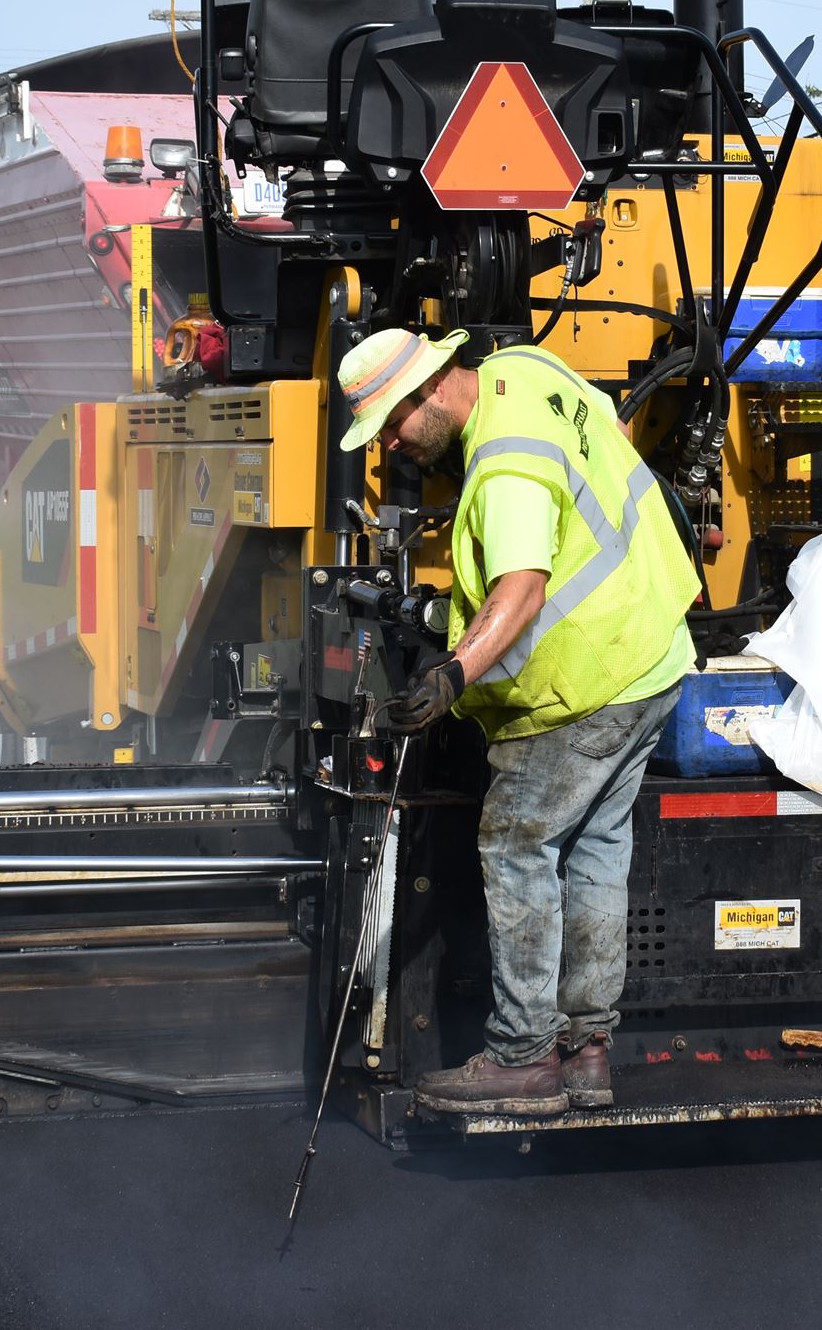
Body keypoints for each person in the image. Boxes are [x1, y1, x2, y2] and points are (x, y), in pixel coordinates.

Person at [335, 326, 697, 1116]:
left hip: (587, 678)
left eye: (392, 423)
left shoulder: (504, 469)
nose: (391, 444)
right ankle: (588, 1051)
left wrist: (452, 673)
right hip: (652, 649)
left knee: (516, 841)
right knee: (596, 846)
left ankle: (525, 1058)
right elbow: (611, 426)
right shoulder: (525, 368)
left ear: (431, 386)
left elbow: (523, 589)